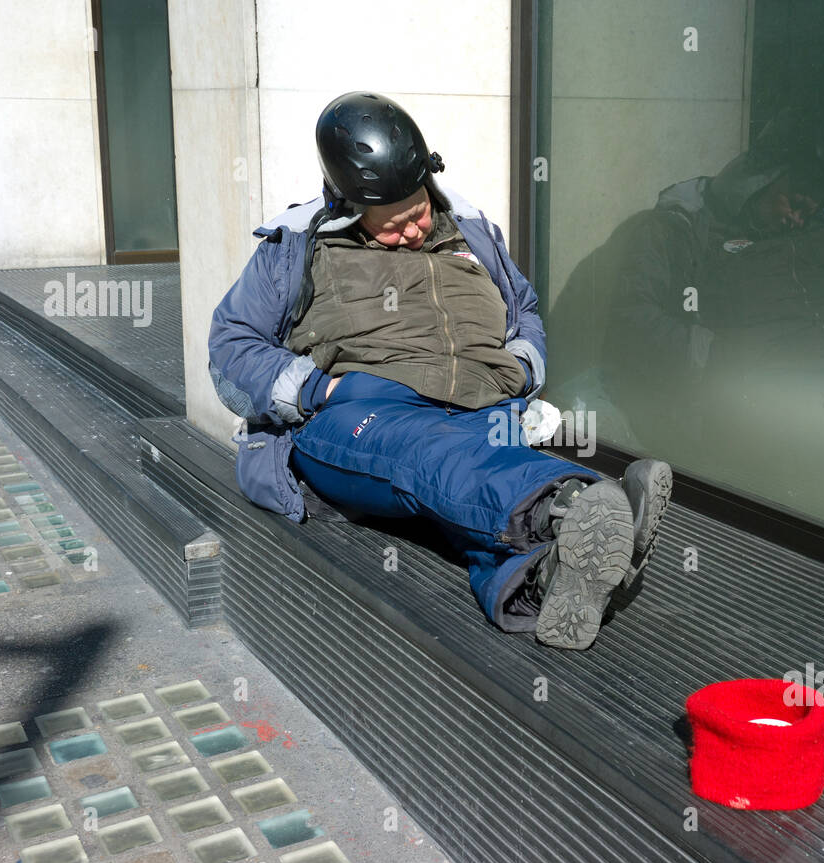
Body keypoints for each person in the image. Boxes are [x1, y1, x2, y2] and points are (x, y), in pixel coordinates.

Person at [208, 91, 672, 651]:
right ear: (350, 206)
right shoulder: (295, 246)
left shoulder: (472, 230)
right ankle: (575, 504)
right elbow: (231, 345)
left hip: (484, 405)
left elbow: (522, 307)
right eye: (391, 227)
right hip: (366, 410)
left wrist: (522, 369)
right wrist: (314, 389)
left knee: (465, 484)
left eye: (418, 213)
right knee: (432, 455)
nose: (411, 232)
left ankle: (544, 581)